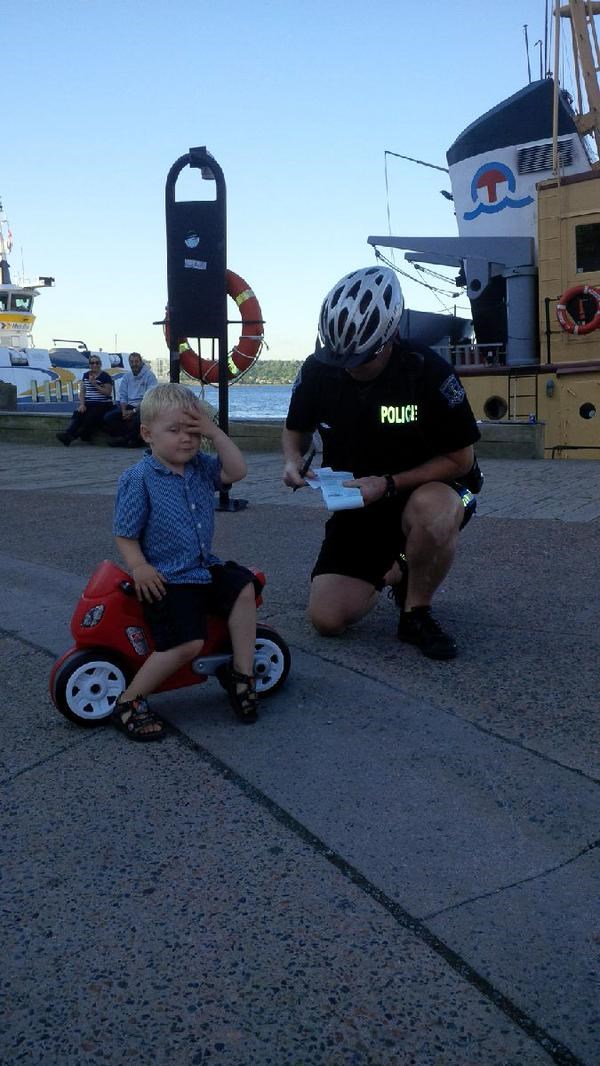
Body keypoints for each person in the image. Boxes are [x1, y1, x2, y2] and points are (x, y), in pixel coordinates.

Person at [282, 265, 482, 660]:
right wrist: (292, 461)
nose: (349, 367)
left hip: (430, 490)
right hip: (361, 499)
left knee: (435, 510)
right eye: (340, 358)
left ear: (390, 337)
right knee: (328, 619)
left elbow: (461, 459)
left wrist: (388, 483)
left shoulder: (426, 371)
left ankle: (416, 613)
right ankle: (401, 564)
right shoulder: (318, 370)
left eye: (361, 358)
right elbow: (295, 430)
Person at [112, 382, 260, 740]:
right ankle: (129, 700)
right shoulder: (139, 479)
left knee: (244, 587)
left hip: (203, 567)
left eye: (193, 432)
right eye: (175, 430)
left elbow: (237, 471)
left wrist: (214, 432)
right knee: (187, 643)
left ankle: (241, 674)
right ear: (148, 434)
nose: (186, 439)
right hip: (169, 577)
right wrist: (139, 567)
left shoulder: (200, 467)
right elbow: (125, 533)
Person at [56, 354, 115, 445]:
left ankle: (71, 437)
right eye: (92, 363)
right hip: (89, 403)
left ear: (100, 364)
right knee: (78, 413)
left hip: (103, 404)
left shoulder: (105, 376)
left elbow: (108, 392)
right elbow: (82, 391)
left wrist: (95, 384)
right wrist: (82, 404)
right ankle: (69, 434)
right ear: (89, 364)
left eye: (97, 363)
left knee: (90, 417)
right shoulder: (86, 375)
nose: (95, 365)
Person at [104, 351, 158, 447]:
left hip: (143, 407)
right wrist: (124, 411)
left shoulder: (150, 376)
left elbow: (149, 398)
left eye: (136, 361)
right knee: (109, 417)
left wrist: (133, 411)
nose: (134, 364)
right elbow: (123, 395)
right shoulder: (127, 377)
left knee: (138, 419)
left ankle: (126, 440)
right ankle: (130, 439)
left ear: (141, 362)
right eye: (131, 362)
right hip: (129, 406)